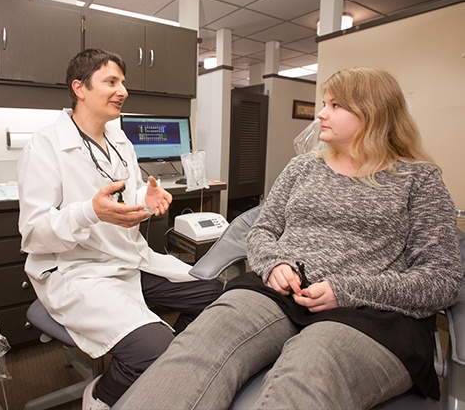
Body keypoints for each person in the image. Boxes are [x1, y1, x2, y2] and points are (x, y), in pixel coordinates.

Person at [116, 67, 463, 410]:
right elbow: (263, 231)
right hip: (278, 293)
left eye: (335, 105)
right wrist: (273, 263)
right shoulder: (303, 168)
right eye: (323, 103)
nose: (321, 114)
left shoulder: (418, 181)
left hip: (371, 313)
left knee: (309, 369)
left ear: (372, 112)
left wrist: (347, 291)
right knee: (199, 345)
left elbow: (442, 279)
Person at [17, 48, 222, 409]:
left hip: (128, 259)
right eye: (111, 82)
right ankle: (102, 394)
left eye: (123, 82)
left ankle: (175, 366)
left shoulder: (119, 138)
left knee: (215, 292)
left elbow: (122, 195)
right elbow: (33, 233)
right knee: (156, 350)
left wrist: (147, 196)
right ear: (79, 88)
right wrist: (89, 212)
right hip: (77, 271)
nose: (122, 90)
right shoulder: (45, 145)